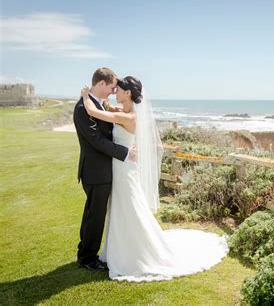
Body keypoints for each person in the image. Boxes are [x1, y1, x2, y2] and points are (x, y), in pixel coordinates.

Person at [80, 76, 228, 282]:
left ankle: (137, 253)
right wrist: (102, 101)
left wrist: (85, 96)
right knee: (120, 208)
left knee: (129, 207)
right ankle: (119, 249)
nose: (115, 92)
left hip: (123, 168)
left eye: (119, 89)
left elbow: (93, 112)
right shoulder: (123, 112)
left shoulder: (129, 117)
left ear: (128, 93)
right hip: (121, 165)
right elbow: (106, 108)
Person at [73, 67, 136, 272]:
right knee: (95, 215)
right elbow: (96, 140)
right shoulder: (83, 108)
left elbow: (110, 129)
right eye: (111, 87)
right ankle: (87, 257)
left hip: (106, 169)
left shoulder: (98, 104)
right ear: (101, 84)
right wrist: (125, 152)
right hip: (95, 171)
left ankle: (86, 252)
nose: (112, 91)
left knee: (95, 213)